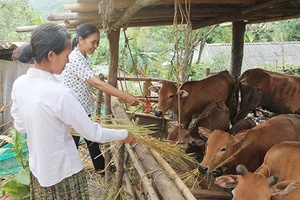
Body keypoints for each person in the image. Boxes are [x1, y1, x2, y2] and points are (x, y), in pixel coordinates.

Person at [10, 22, 136, 199]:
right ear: (51, 55)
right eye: (67, 55)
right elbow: (93, 134)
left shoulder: (20, 84)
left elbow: (21, 126)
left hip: (39, 170)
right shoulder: (59, 93)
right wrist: (124, 134)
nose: (68, 61)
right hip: (64, 174)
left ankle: (98, 164)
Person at [61, 23, 139, 173]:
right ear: (81, 40)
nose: (95, 46)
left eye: (97, 42)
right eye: (93, 42)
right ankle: (69, 172)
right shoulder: (74, 59)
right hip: (73, 111)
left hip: (83, 108)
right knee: (73, 144)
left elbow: (88, 82)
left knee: (91, 140)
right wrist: (125, 96)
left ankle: (101, 168)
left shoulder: (83, 58)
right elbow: (97, 83)